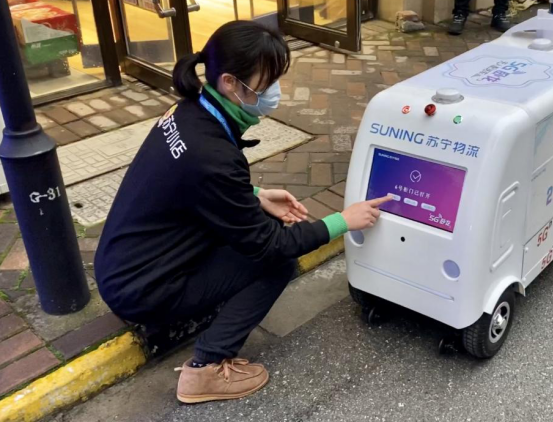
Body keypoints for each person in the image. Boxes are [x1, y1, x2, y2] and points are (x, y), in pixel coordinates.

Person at [94, 21, 391, 404]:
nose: (274, 92)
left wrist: (256, 195)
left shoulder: (187, 113)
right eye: (267, 83)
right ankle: (205, 368)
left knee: (262, 224)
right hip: (145, 288)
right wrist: (342, 221)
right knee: (277, 263)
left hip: (125, 264)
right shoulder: (212, 153)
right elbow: (270, 245)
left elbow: (191, 185)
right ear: (231, 82)